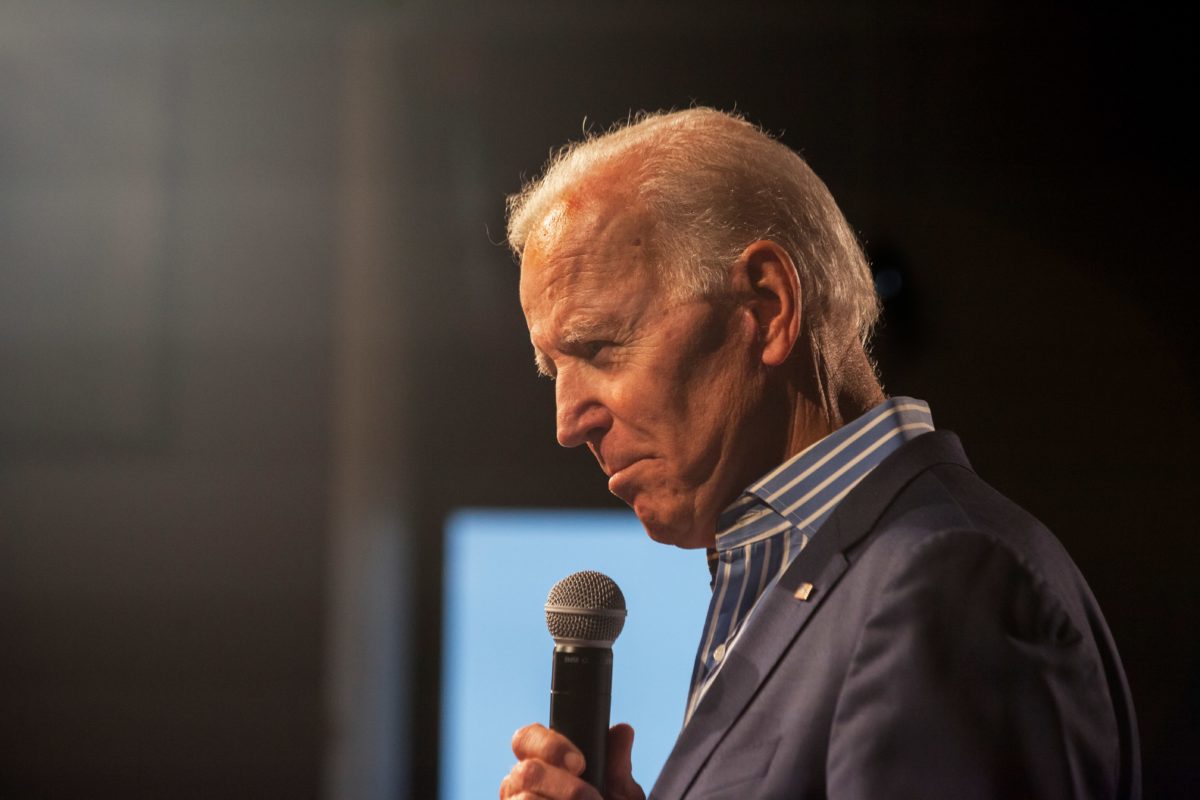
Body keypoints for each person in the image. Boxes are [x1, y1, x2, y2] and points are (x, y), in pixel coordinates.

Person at [497, 108, 1139, 800]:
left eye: (598, 347)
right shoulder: (811, 570)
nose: (568, 422)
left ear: (767, 307)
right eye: (553, 369)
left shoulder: (944, 583)